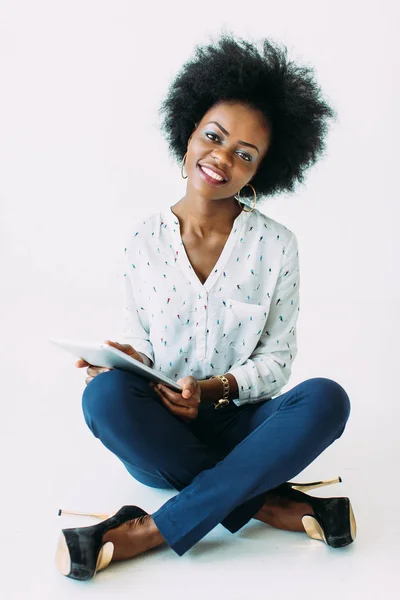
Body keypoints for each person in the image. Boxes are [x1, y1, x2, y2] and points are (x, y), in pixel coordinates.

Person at [55, 33, 356, 581]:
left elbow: (277, 362)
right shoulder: (142, 239)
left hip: (242, 427)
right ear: (189, 131)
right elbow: (143, 339)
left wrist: (214, 392)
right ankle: (269, 504)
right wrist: (123, 358)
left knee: (326, 400)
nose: (222, 158)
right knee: (103, 394)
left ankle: (146, 530)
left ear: (260, 171)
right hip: (160, 435)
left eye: (245, 154)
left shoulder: (277, 245)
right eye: (213, 137)